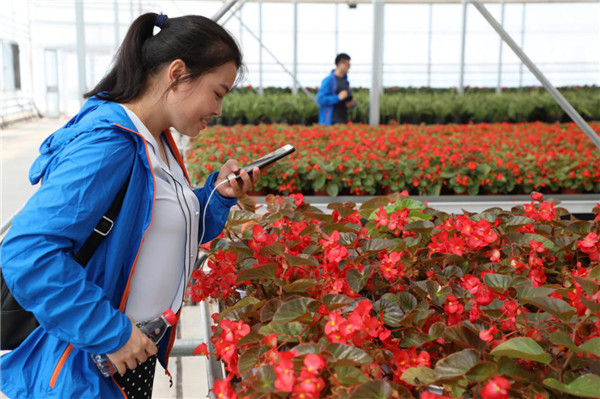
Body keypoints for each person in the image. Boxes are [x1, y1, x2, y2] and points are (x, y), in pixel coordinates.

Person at [0, 13, 259, 399]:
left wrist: (217, 196)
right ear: (177, 74)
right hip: (84, 362)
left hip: (125, 357)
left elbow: (158, 230)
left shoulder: (158, 142)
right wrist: (112, 333)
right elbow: (27, 252)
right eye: (218, 92)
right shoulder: (111, 144)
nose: (218, 108)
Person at [316, 53, 356, 125]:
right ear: (340, 64)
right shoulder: (329, 80)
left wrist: (351, 104)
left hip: (343, 121)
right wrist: (337, 98)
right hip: (330, 121)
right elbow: (320, 99)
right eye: (348, 65)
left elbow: (348, 99)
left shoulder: (345, 81)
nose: (349, 67)